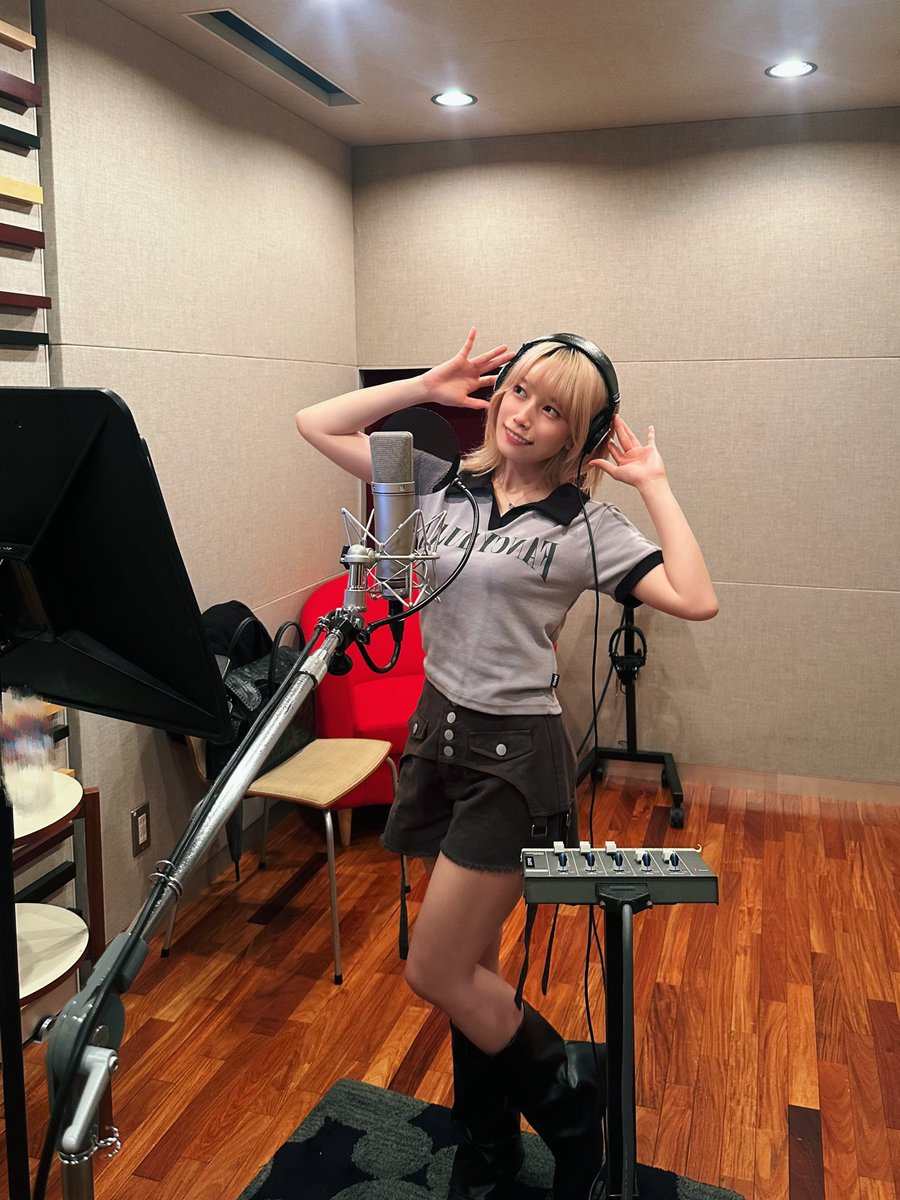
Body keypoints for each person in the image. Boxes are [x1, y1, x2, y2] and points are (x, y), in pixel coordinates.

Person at [295, 328, 718, 1200]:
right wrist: (427, 385)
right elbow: (315, 423)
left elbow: (695, 597)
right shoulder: (440, 485)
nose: (524, 415)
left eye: (552, 409)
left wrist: (654, 485)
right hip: (438, 740)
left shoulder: (587, 526)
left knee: (436, 971)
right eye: (519, 390)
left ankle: (572, 1107)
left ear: (580, 435)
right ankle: (488, 1149)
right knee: (472, 974)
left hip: (513, 757)